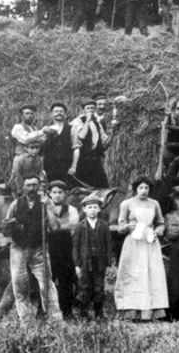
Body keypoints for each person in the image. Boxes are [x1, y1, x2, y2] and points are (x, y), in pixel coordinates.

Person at [1, 175, 63, 324]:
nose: (31, 189)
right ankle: (26, 323)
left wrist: (48, 206)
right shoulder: (15, 205)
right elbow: (5, 229)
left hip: (39, 249)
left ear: (40, 187)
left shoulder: (45, 204)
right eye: (28, 185)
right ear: (23, 187)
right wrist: (11, 226)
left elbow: (55, 227)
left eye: (35, 185)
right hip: (19, 249)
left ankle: (55, 320)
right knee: (19, 286)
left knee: (46, 286)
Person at [113, 177, 168, 320]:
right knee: (133, 274)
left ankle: (152, 311)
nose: (144, 191)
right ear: (135, 189)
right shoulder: (126, 204)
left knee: (151, 273)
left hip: (150, 242)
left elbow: (160, 222)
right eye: (141, 188)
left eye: (146, 188)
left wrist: (159, 230)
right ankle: (131, 310)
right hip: (134, 242)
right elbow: (120, 227)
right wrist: (127, 227)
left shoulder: (154, 204)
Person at [72, 194, 112, 320]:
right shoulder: (80, 226)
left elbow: (109, 245)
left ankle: (99, 313)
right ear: (84, 209)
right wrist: (77, 264)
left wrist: (109, 263)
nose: (92, 210)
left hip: (99, 262)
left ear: (100, 209)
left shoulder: (104, 226)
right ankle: (84, 313)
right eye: (89, 207)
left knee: (99, 287)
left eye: (95, 207)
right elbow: (75, 247)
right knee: (84, 286)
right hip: (85, 262)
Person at [45, 180, 79, 319]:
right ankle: (47, 310)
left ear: (65, 194)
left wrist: (57, 227)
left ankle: (67, 310)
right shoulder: (44, 209)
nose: (57, 195)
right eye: (54, 192)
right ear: (49, 194)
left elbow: (72, 226)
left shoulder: (71, 210)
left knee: (66, 279)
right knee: (49, 278)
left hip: (65, 248)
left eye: (60, 192)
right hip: (49, 247)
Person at [69, 99, 110, 188]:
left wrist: (113, 131)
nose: (90, 110)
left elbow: (104, 140)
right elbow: (81, 136)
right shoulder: (78, 121)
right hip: (82, 158)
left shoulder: (97, 122)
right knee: (84, 185)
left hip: (95, 158)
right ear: (83, 110)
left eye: (92, 108)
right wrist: (87, 121)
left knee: (102, 184)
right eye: (88, 108)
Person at [42, 102, 74, 184]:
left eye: (61, 111)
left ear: (65, 114)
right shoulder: (45, 130)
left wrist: (73, 166)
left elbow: (76, 148)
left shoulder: (71, 129)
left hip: (67, 166)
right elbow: (41, 151)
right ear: (51, 114)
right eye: (56, 111)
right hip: (50, 167)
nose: (59, 113)